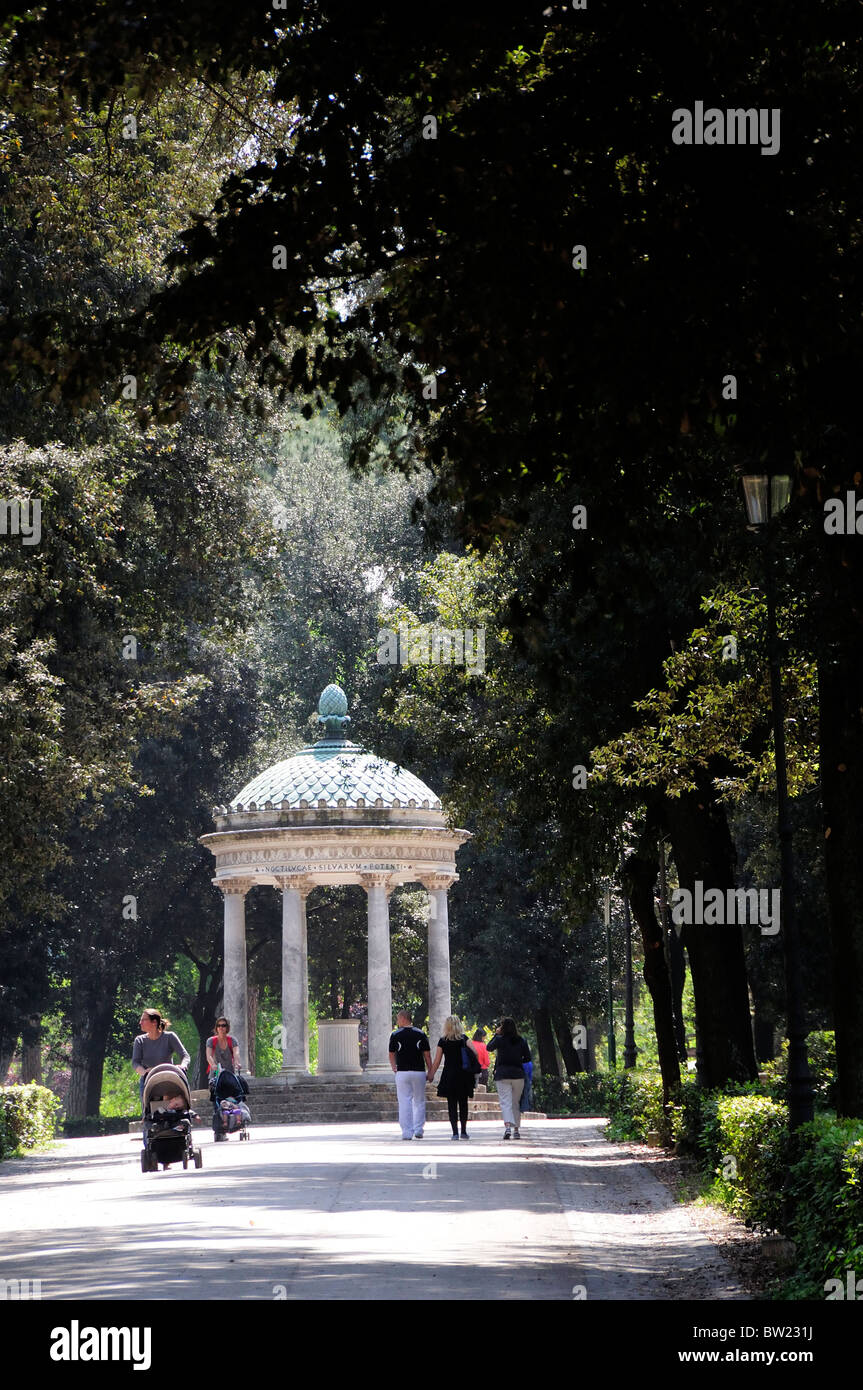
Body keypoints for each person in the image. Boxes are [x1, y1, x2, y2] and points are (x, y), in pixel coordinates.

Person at [427, 1015, 479, 1140]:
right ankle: (464, 1132)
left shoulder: (443, 1040)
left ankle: (455, 1133)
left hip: (449, 1074)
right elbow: (475, 1053)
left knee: (451, 1104)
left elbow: (437, 1060)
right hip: (463, 1074)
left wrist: (431, 1074)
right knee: (463, 1103)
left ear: (447, 1026)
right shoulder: (464, 1039)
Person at [132, 1009, 190, 1111]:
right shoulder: (139, 1040)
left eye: (143, 1020)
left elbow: (185, 1056)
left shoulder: (169, 1037)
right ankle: (146, 1120)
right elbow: (135, 1062)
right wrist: (144, 1072)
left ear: (154, 1022)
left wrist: (183, 1066)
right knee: (148, 1111)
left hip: (169, 1078)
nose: (140, 1023)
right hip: (149, 1078)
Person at [388, 1008, 432, 1140]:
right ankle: (418, 1129)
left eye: (397, 1019)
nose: (397, 1021)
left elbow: (391, 1054)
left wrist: (394, 1067)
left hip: (402, 1072)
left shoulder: (395, 1035)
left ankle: (407, 1131)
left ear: (403, 1019)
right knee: (419, 1100)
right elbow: (427, 1055)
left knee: (404, 1101)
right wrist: (430, 1070)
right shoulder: (421, 1034)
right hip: (418, 1071)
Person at [487, 1017, 531, 1139]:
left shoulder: (500, 1040)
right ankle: (516, 1130)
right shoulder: (521, 1040)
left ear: (502, 1028)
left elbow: (488, 1047)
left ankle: (507, 1128)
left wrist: (496, 1035)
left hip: (502, 1075)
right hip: (518, 1075)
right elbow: (527, 1059)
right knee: (515, 1103)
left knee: (505, 1102)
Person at [206, 1017, 248, 1141]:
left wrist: (237, 1063)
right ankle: (219, 1129)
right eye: (219, 1026)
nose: (221, 1028)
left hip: (229, 1075)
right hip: (216, 1074)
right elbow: (208, 1055)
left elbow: (236, 1053)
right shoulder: (211, 1041)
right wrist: (213, 1064)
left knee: (233, 1097)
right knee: (216, 1099)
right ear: (216, 1027)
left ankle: (237, 1121)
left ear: (227, 1027)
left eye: (223, 1025)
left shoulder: (232, 1040)